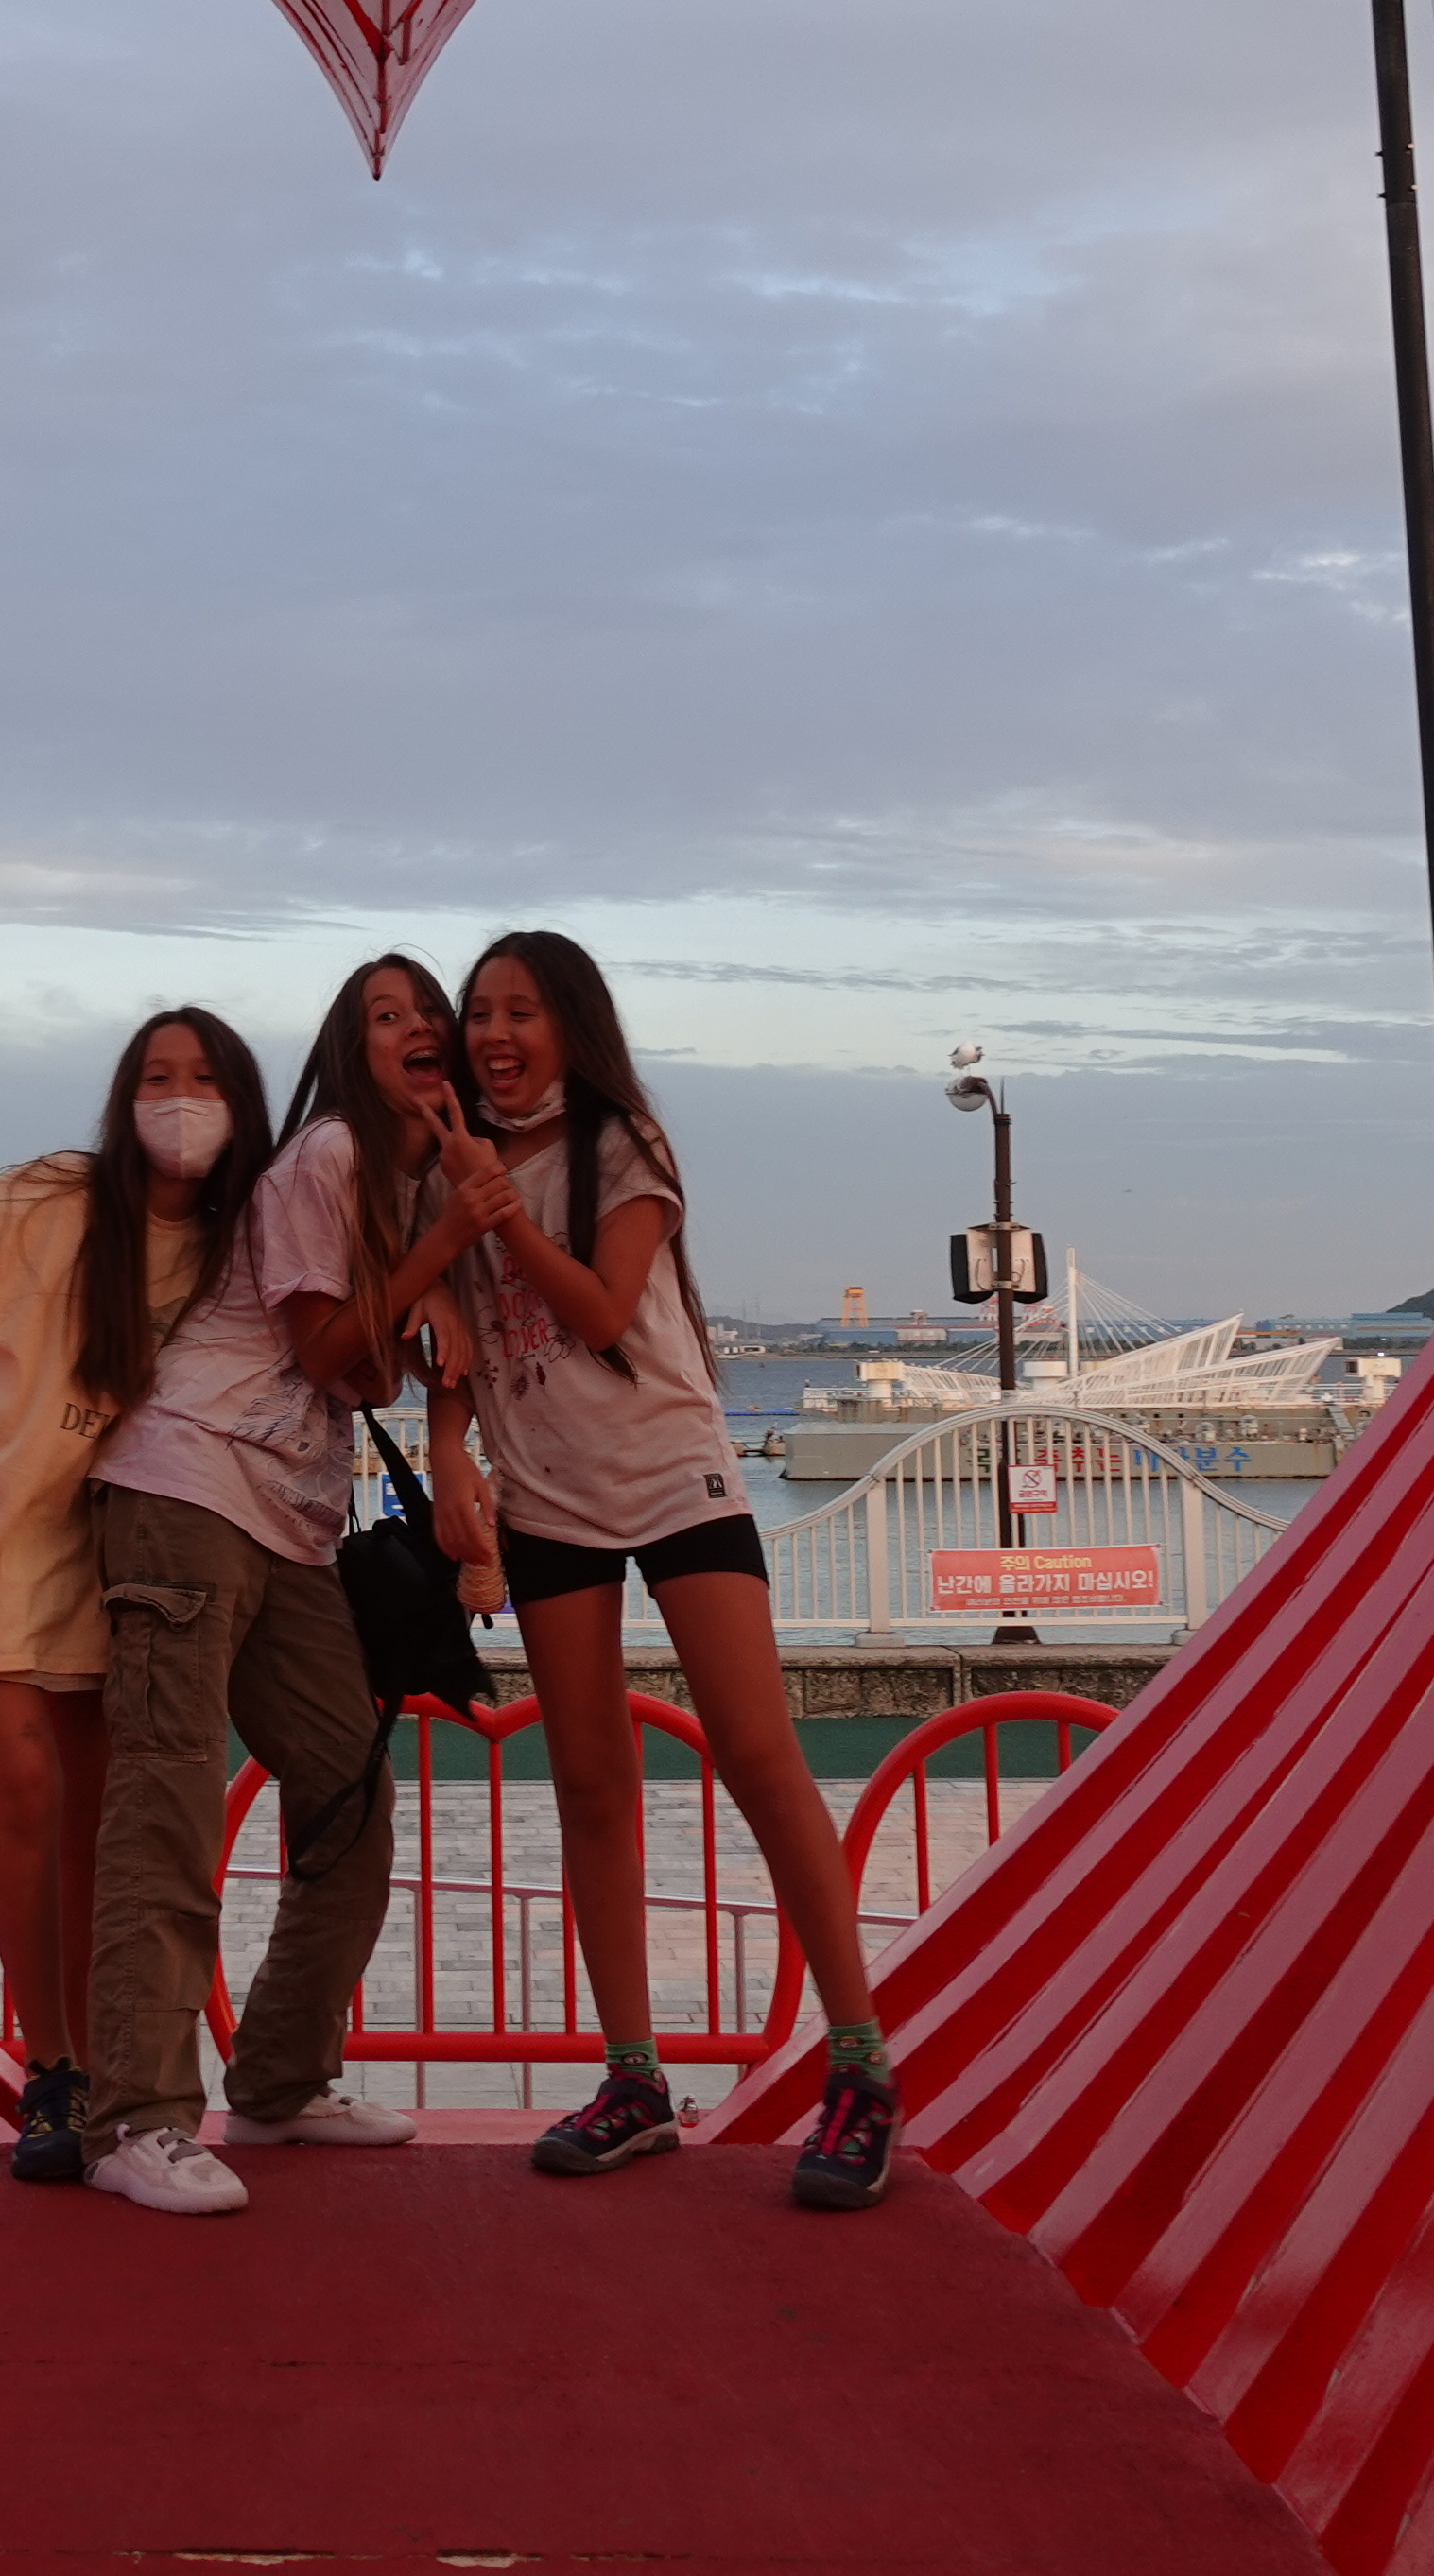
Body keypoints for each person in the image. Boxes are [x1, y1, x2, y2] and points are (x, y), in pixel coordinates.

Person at [442, 928, 904, 2210]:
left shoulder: (621, 1143)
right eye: (480, 1011)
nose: (495, 1034)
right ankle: (634, 2080)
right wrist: (449, 1451)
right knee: (590, 1784)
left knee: (757, 1753)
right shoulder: (456, 1165)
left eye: (522, 1011)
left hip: (670, 1472)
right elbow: (457, 1333)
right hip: (547, 1499)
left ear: (571, 1026)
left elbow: (600, 1311)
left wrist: (493, 1205)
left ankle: (859, 2065)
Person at [69, 964, 498, 2214]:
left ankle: (277, 2081)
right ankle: (135, 2118)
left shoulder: (421, 1184)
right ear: (349, 1054)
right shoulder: (329, 1155)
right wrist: (440, 1255)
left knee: (347, 1792)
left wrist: (443, 1365)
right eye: (384, 1017)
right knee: (168, 1796)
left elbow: (398, 1362)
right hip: (186, 1488)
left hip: (291, 1521)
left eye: (428, 1011)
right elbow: (323, 1349)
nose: (417, 1029)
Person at [0, 1015, 262, 2183]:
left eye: (205, 1080)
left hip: (112, 1557)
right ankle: (50, 2069)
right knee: (27, 1788)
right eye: (157, 1078)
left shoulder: (239, 1244)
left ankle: (105, 2066)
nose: (180, 1100)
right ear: (125, 1098)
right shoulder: (50, 1204)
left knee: (95, 1816)